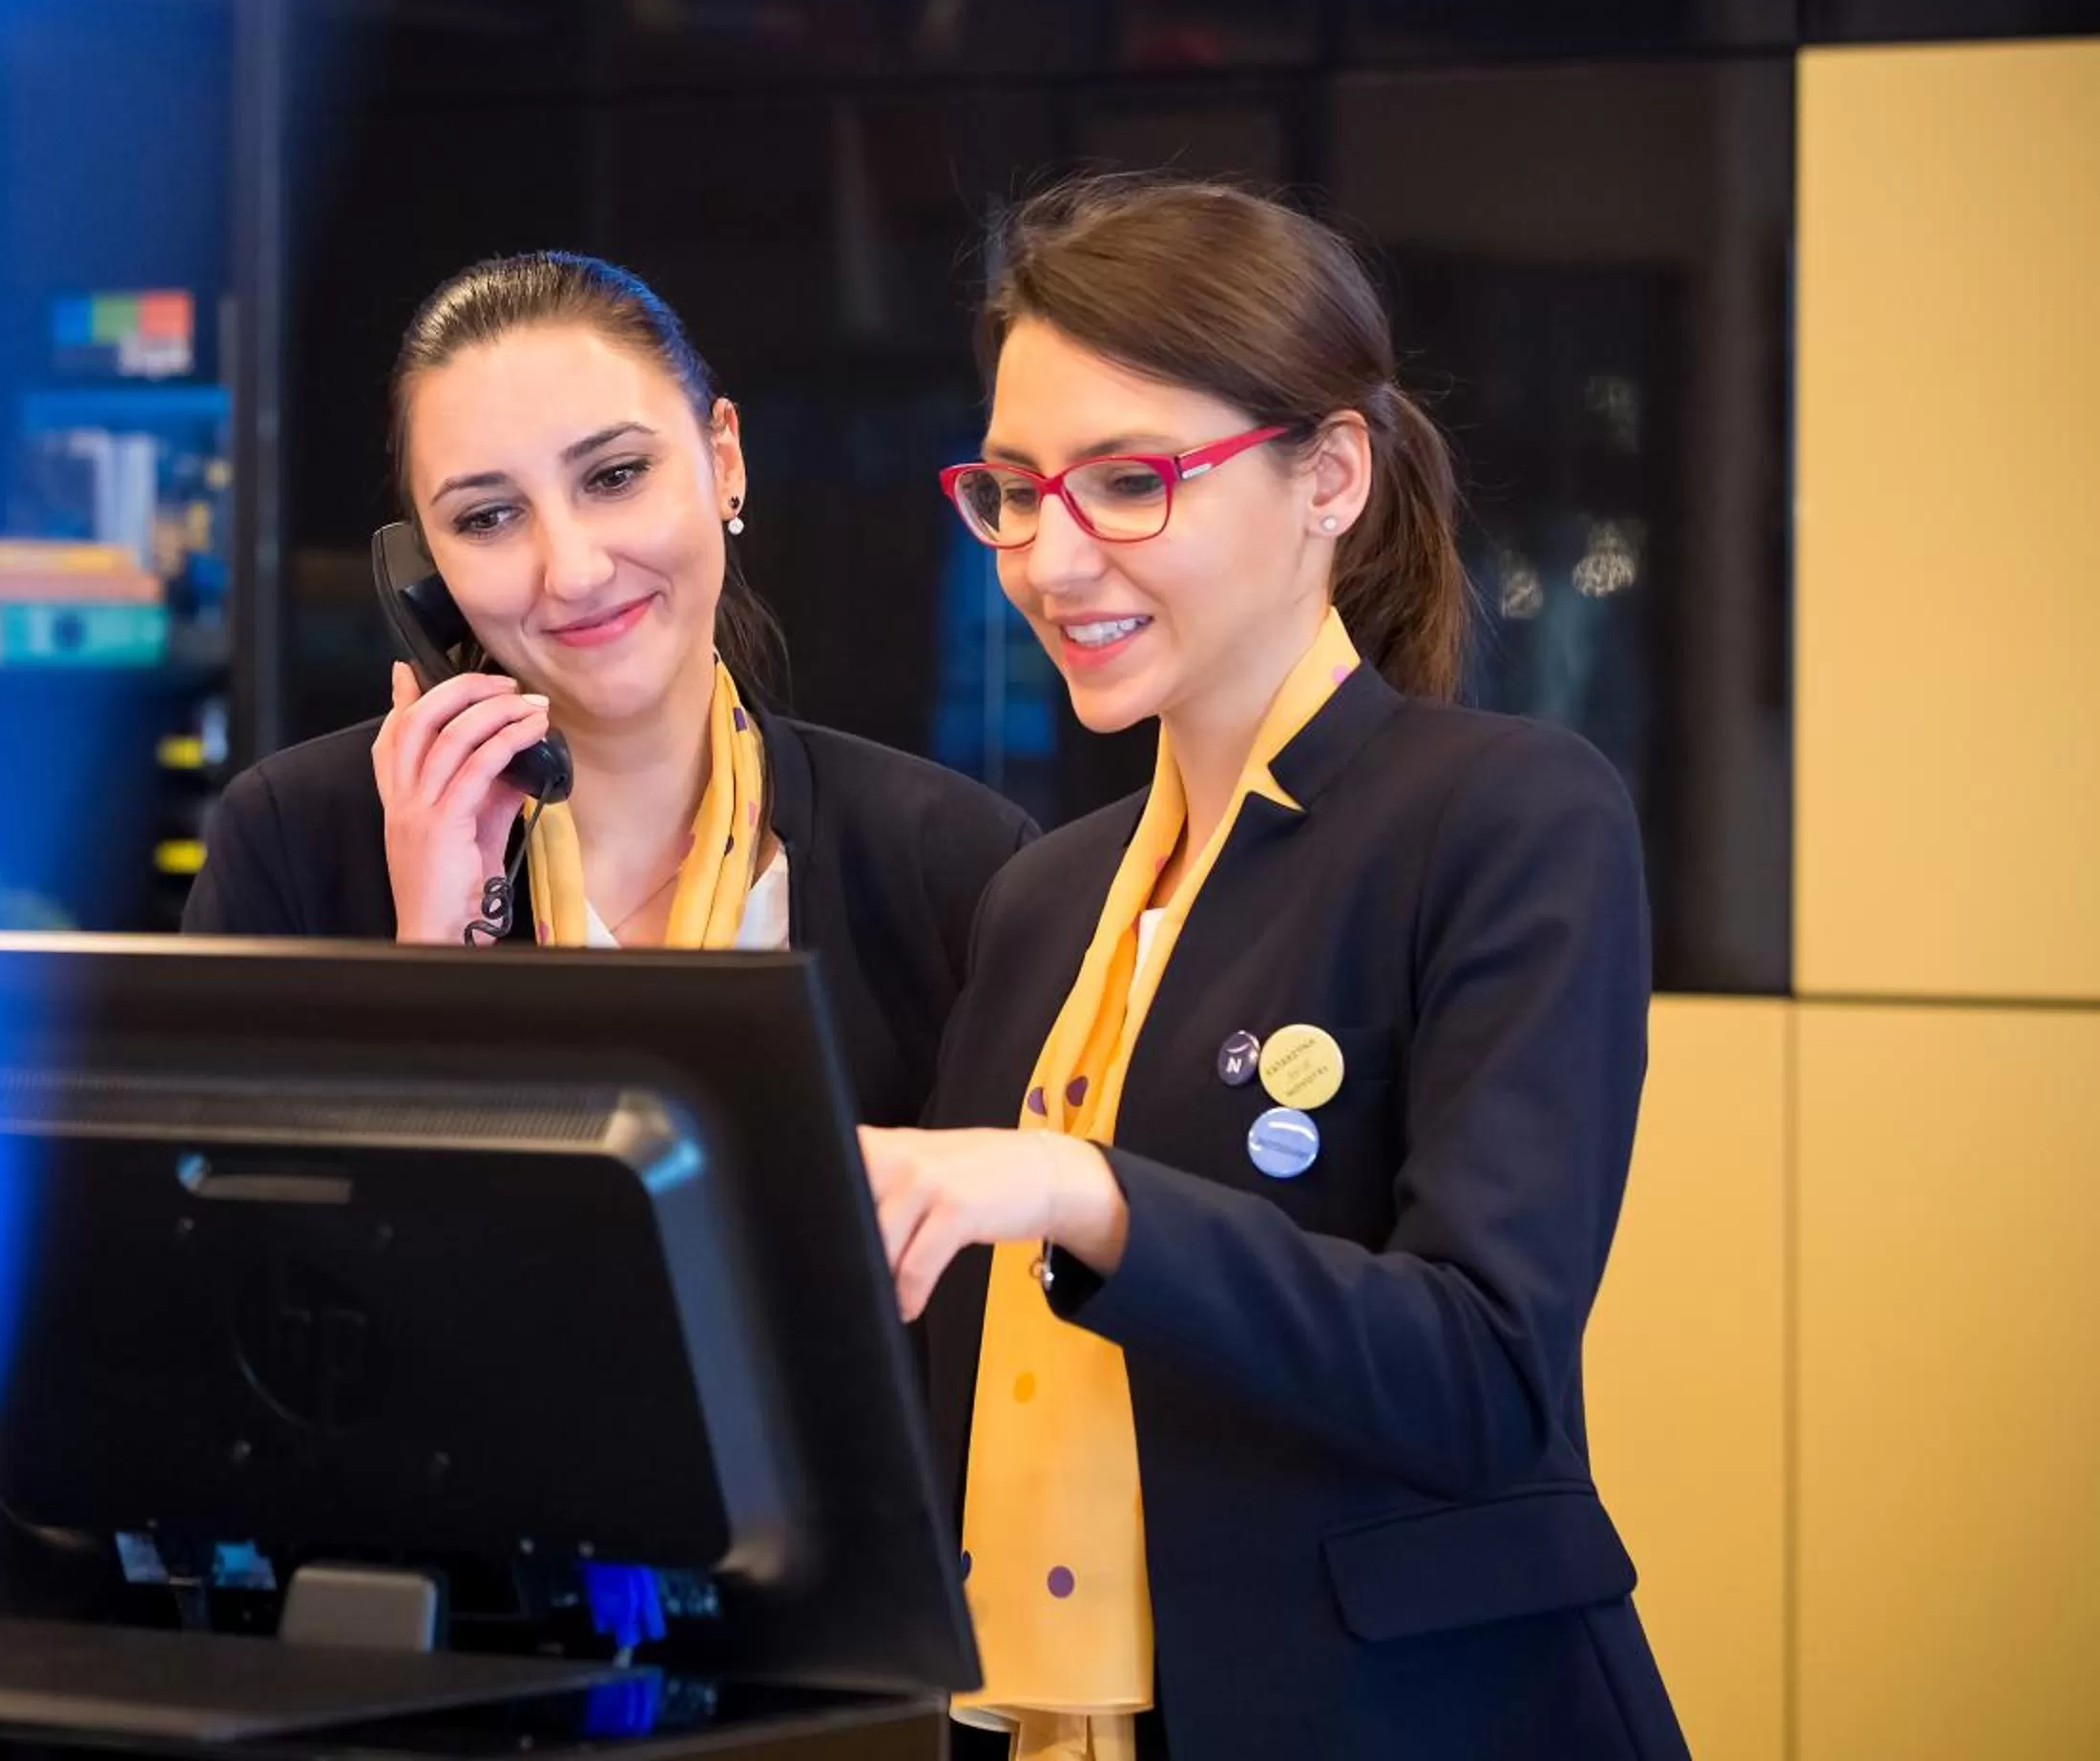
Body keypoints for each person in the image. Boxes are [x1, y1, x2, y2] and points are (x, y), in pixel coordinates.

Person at [859, 179, 1686, 1761]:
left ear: (1332, 475)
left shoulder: (1504, 812)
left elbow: (1486, 1375)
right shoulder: (1044, 896)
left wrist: (1082, 1194)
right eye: (1017, 492)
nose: (1052, 557)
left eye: (1131, 482)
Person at [185, 250, 1037, 1130]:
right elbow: (234, 1261)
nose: (576, 571)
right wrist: (433, 960)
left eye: (616, 476)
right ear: (424, 570)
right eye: (486, 517)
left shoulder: (953, 865)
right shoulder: (293, 845)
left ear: (725, 459)